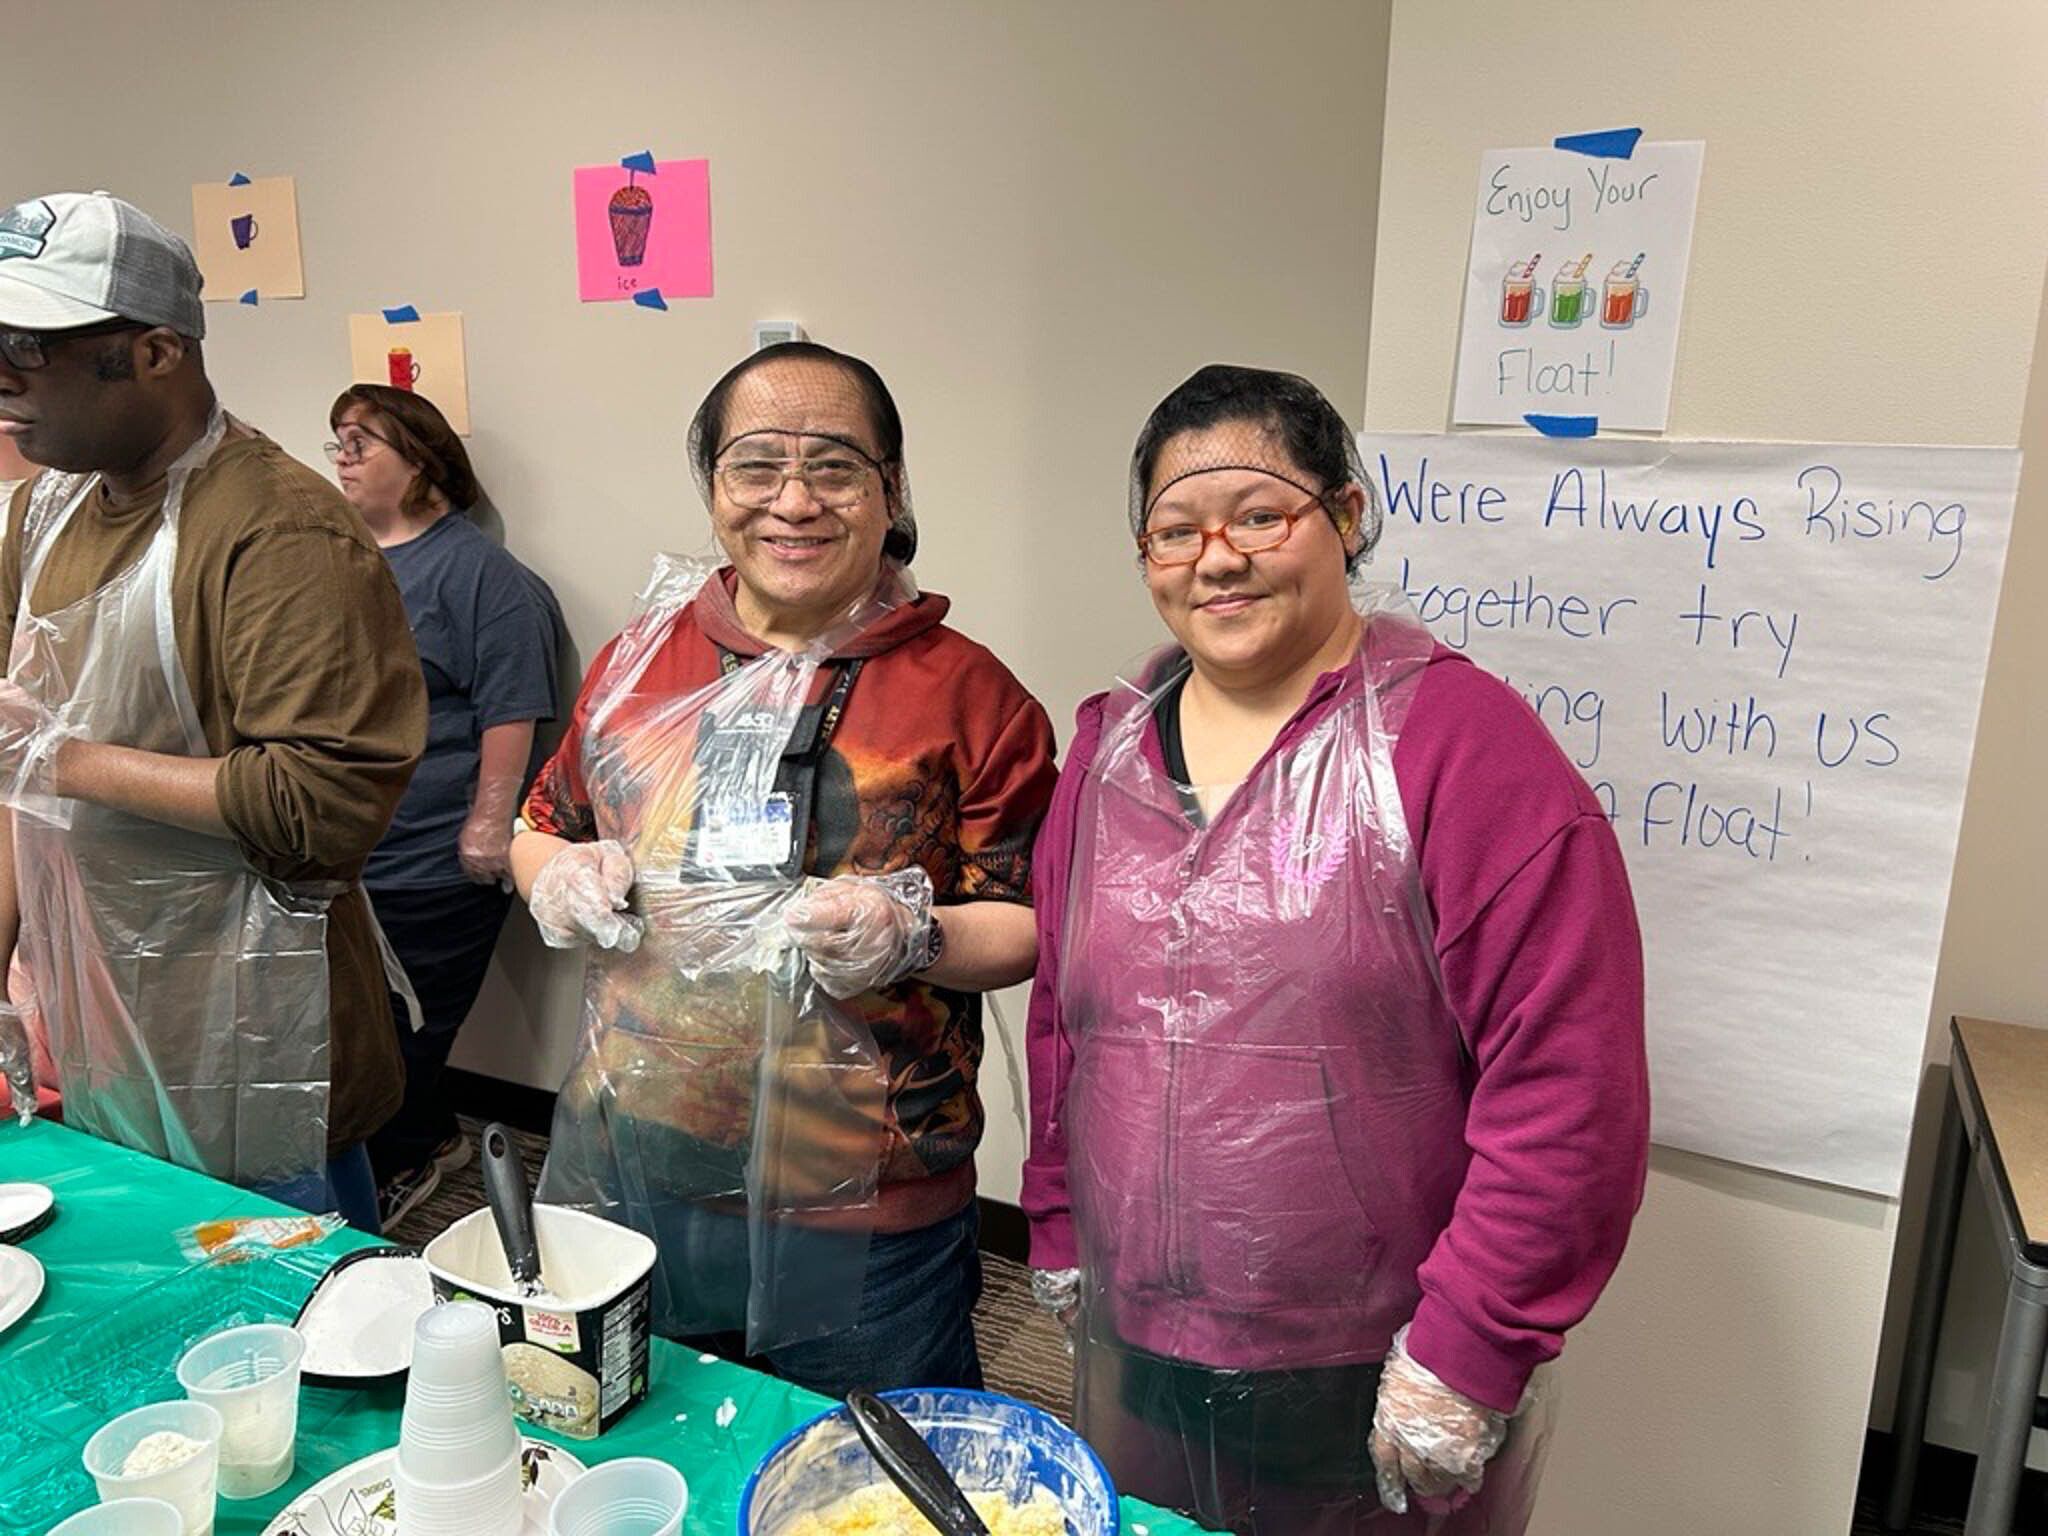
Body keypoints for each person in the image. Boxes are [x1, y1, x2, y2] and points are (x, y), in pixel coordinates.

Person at [1022, 364, 1649, 1534]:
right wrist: (1054, 1219)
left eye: (1259, 514)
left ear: (1345, 516)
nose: (1217, 558)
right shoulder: (1105, 751)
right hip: (1139, 1343)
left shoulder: (1464, 751)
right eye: (1174, 530)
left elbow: (1569, 1086)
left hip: (1374, 1364)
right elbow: (1067, 1014)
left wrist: (1464, 1349)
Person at [510, 341, 1057, 1397]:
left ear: (891, 489)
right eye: (755, 466)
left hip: (870, 1208)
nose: (792, 501)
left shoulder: (970, 696)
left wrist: (914, 935)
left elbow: (1029, 926)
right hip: (635, 1173)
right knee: (648, 1456)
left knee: (870, 1477)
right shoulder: (638, 664)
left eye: (835, 467)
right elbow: (543, 822)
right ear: (713, 489)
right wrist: (554, 877)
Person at [0, 192, 425, 1231]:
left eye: (32, 346)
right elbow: (10, 775)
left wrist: (64, 759)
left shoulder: (275, 532)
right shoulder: (45, 513)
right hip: (101, 1018)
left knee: (285, 1349)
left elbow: (318, 806)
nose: (4, 376)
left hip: (255, 1039)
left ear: (154, 353)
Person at [326, 384, 563, 1231]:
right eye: (337, 442)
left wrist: (486, 827)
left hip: (432, 856)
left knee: (399, 1037)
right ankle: (422, 1135)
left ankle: (412, 1156)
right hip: (349, 850)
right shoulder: (345, 559)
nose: (342, 458)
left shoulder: (480, 575)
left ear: (422, 463)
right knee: (355, 1026)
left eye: (362, 442)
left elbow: (515, 707)